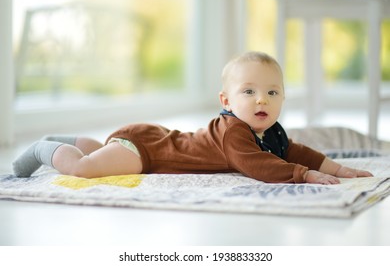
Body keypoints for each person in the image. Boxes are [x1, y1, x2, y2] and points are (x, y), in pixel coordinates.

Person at [13, 51, 373, 184]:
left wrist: (335, 168)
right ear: (226, 101)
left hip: (148, 141)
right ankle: (43, 148)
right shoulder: (234, 132)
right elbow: (259, 166)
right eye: (248, 91)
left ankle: (68, 140)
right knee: (85, 169)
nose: (261, 98)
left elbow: (292, 150)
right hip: (146, 151)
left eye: (272, 92)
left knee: (101, 155)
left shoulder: (270, 130)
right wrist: (304, 176)